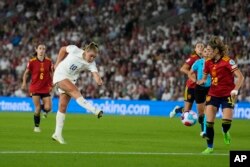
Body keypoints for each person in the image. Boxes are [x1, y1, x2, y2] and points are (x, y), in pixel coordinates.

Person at [197, 36, 244, 154]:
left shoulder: (228, 61)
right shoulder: (207, 63)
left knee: (226, 123)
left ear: (216, 51)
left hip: (227, 95)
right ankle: (210, 147)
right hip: (213, 94)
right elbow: (204, 76)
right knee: (209, 122)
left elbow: (241, 77)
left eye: (209, 50)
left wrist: (236, 89)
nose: (207, 53)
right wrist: (202, 81)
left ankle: (225, 131)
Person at [52, 42, 103, 144]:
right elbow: (62, 49)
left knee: (62, 106)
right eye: (91, 55)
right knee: (76, 91)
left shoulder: (91, 63)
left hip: (71, 80)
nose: (92, 58)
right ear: (86, 51)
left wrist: (98, 80)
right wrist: (57, 63)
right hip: (60, 74)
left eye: (94, 57)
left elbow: (95, 74)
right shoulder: (74, 50)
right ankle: (94, 110)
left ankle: (57, 134)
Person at [22, 42, 53, 132]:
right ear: (36, 49)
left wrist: (52, 83)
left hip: (45, 87)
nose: (41, 50)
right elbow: (26, 73)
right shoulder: (32, 62)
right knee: (38, 107)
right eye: (40, 48)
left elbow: (52, 73)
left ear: (45, 50)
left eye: (43, 49)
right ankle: (36, 127)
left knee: (48, 108)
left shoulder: (49, 61)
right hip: (35, 87)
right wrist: (24, 83)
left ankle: (44, 110)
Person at [170, 42, 204, 117]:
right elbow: (182, 69)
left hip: (201, 87)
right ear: (195, 49)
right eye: (198, 46)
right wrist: (192, 74)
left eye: (202, 46)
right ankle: (177, 110)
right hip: (191, 87)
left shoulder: (205, 60)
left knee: (203, 109)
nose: (201, 47)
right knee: (187, 111)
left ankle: (204, 127)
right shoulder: (193, 58)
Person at [188, 47, 211, 138]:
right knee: (201, 113)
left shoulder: (214, 63)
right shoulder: (198, 63)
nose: (207, 53)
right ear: (202, 54)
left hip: (210, 89)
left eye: (208, 51)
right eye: (205, 51)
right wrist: (195, 80)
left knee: (207, 110)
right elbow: (190, 73)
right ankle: (202, 124)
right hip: (199, 89)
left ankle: (205, 131)